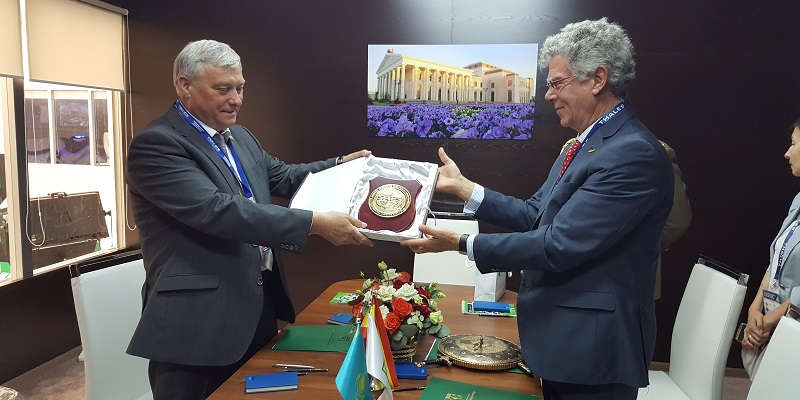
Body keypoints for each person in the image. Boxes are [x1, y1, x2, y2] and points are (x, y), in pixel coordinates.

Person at [402, 18, 674, 399]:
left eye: (556, 83)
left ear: (597, 79)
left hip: (594, 351)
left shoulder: (632, 154)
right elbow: (535, 214)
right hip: (567, 338)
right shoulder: (586, 143)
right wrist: (466, 189)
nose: (548, 95)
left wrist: (460, 243)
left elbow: (557, 244)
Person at [125, 39, 373, 399]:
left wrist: (339, 167)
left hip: (255, 304)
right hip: (196, 325)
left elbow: (282, 176)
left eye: (240, 88)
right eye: (223, 89)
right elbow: (218, 210)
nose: (236, 99)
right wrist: (314, 223)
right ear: (185, 86)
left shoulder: (239, 136)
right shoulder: (156, 145)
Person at [559, 138, 692, 299]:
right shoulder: (572, 148)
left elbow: (676, 221)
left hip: (625, 287)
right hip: (568, 283)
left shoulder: (651, 152)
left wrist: (629, 249)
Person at [741, 117, 800, 380]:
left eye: (794, 144)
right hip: (774, 326)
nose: (787, 152)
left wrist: (769, 320)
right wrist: (755, 310)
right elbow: (776, 260)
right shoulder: (798, 200)